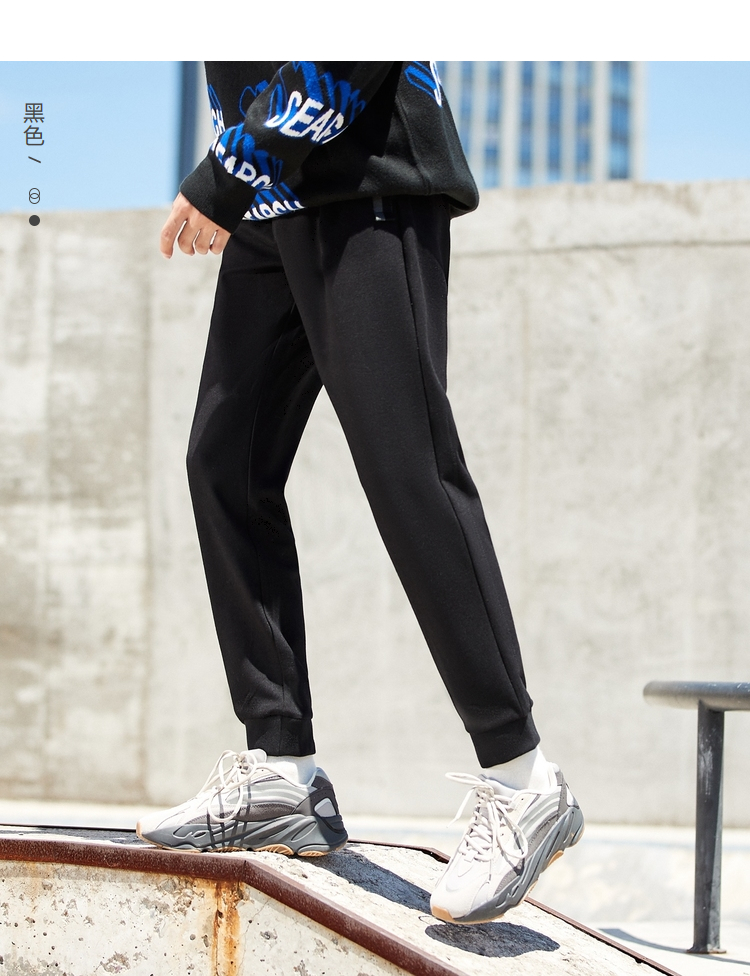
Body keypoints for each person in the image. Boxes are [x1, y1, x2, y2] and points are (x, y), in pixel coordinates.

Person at [136, 61, 583, 924]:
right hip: (273, 201)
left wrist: (228, 168)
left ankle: (524, 779)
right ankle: (282, 772)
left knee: (406, 465)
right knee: (225, 463)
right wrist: (244, 171)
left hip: (363, 173)